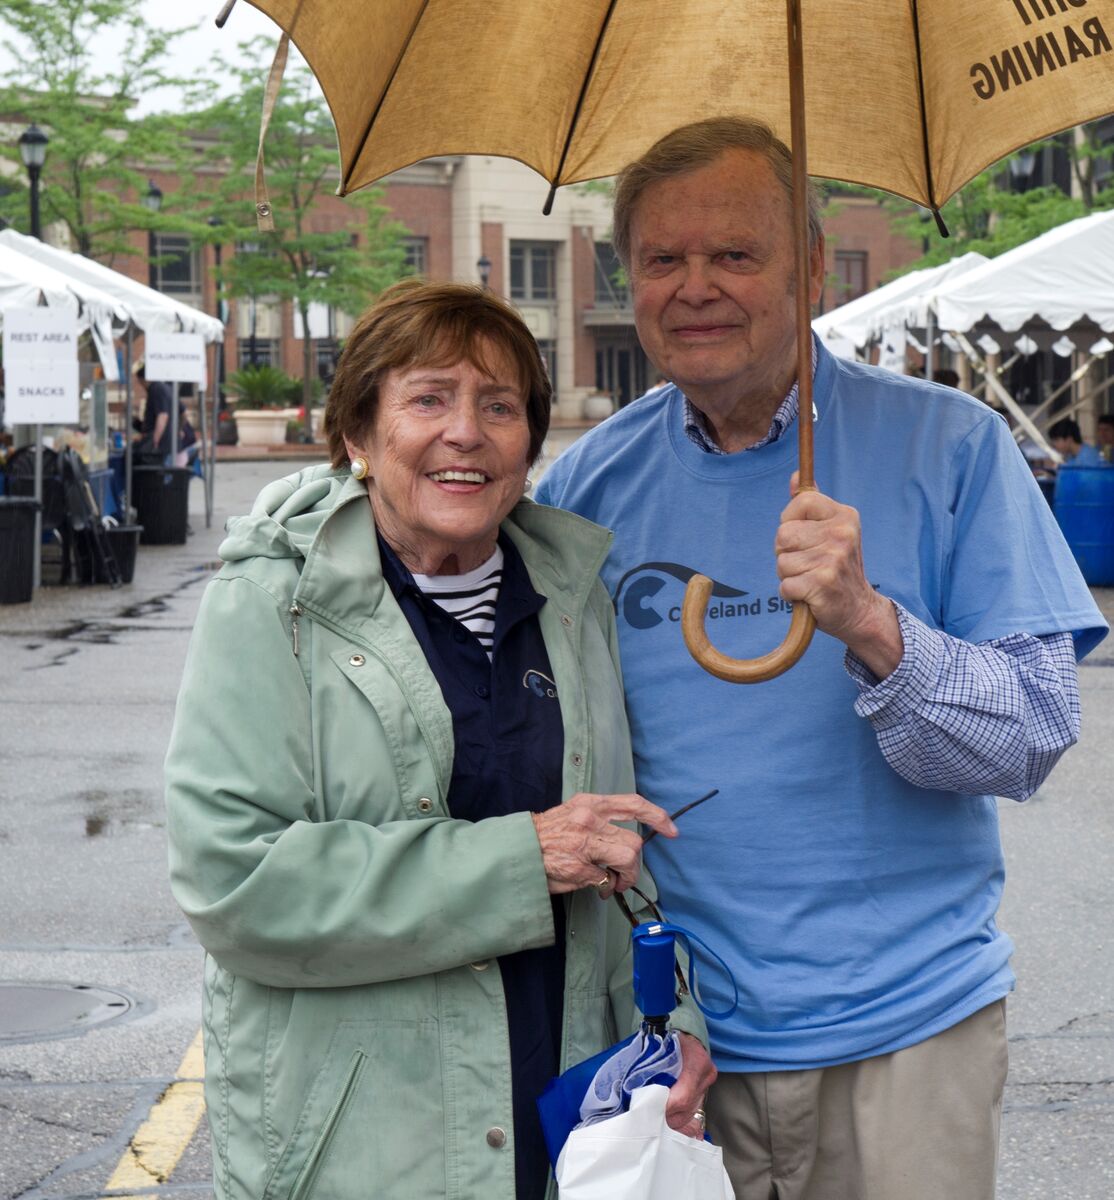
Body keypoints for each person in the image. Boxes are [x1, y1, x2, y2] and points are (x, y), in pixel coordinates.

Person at [535, 117, 1107, 1200]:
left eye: (735, 256)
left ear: (806, 268)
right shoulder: (583, 492)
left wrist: (870, 623)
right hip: (679, 1041)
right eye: (663, 259)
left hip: (907, 1037)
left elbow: (1031, 736)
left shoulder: (951, 447)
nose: (694, 286)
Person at [164, 280, 713, 1200]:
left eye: (499, 406)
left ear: (529, 446)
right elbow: (234, 881)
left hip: (565, 1099)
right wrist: (519, 860)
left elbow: (617, 847)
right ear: (358, 436)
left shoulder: (574, 599)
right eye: (428, 399)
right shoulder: (271, 603)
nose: (466, 432)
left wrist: (671, 1021)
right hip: (364, 1134)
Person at [134, 361, 196, 466]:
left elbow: (163, 416)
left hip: (162, 448)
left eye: (140, 382)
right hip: (175, 445)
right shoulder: (169, 389)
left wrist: (155, 441)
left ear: (143, 379)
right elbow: (184, 413)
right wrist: (179, 429)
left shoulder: (155, 389)